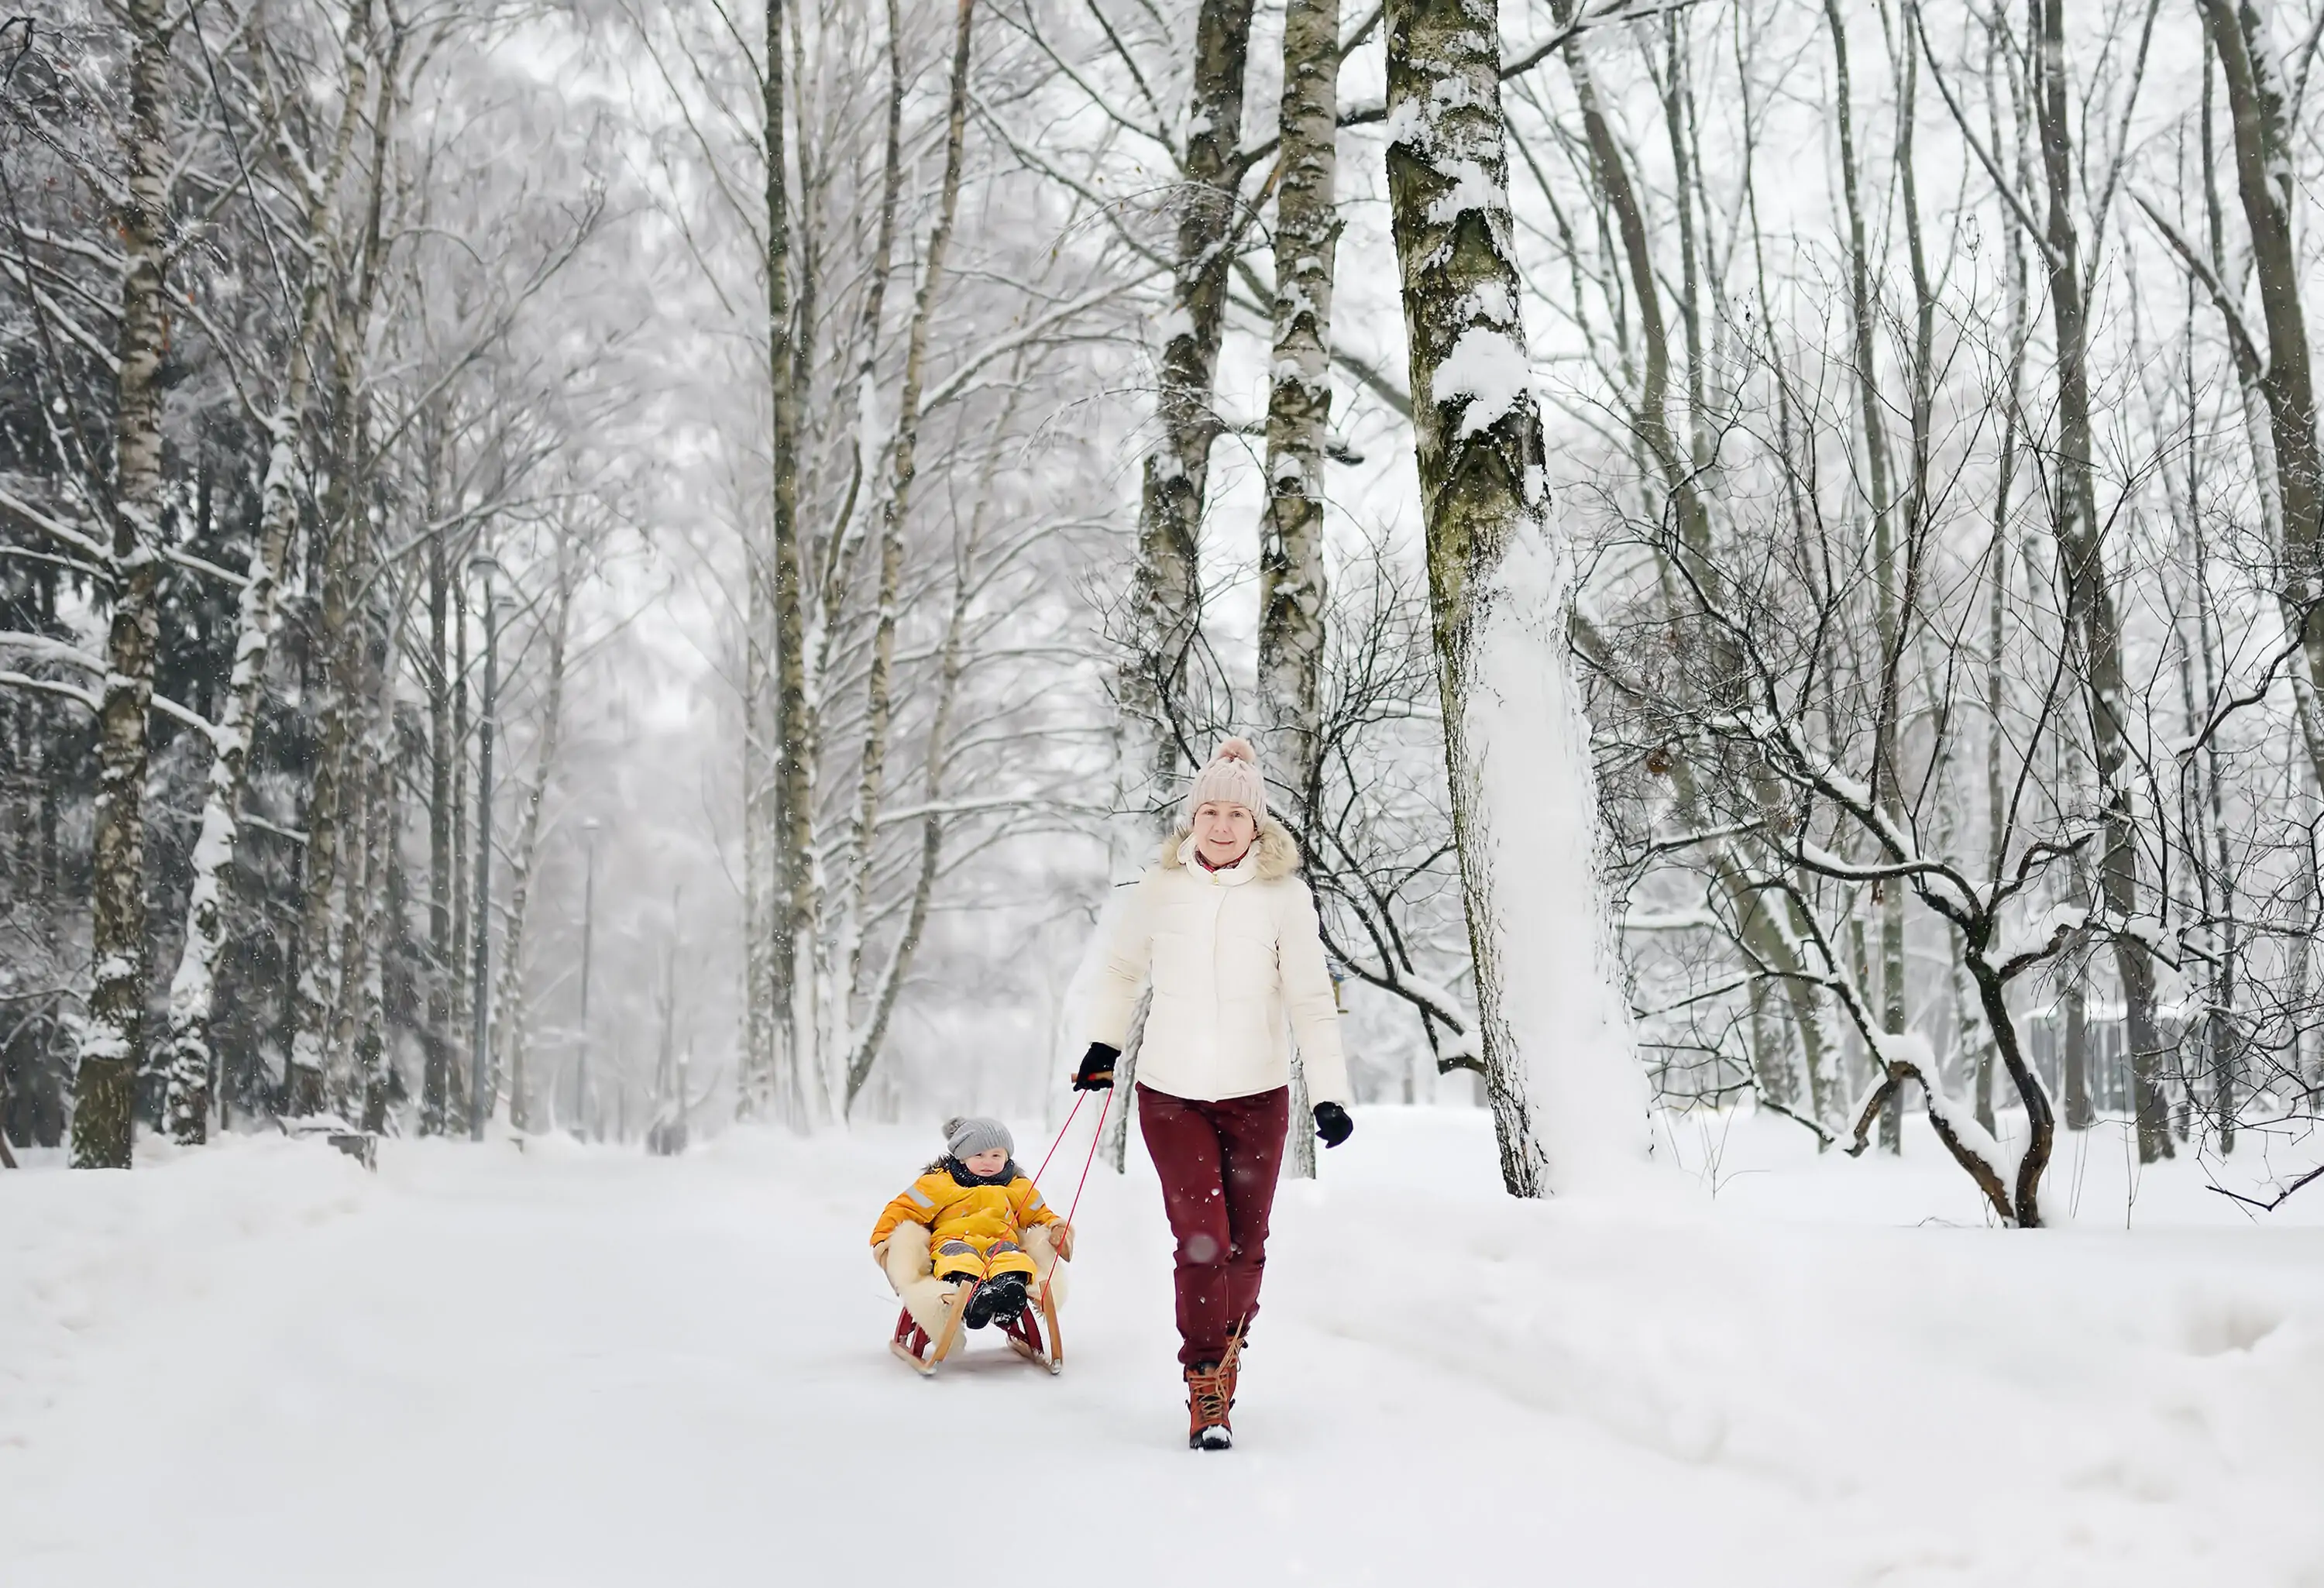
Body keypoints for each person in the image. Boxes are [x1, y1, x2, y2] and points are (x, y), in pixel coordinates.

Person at [1074, 737, 1354, 1450]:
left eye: (1237, 813)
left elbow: (1312, 1001)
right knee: (1204, 1243)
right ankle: (1206, 1384)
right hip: (1171, 1096)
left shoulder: (1285, 898)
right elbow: (1120, 972)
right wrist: (1103, 1046)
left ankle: (1225, 1349)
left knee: (1248, 1244)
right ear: (1191, 819)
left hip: (1259, 1096)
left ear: (1257, 825)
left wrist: (1330, 1094)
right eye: (1210, 812)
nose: (1222, 825)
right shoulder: (1161, 888)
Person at [870, 1117, 1070, 1337]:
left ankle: (1010, 1294)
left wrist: (1056, 1228)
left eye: (996, 1155)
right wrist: (884, 1239)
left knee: (1014, 1260)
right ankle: (974, 1299)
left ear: (1006, 1157)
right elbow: (903, 1209)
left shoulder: (1016, 1187)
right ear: (963, 1157)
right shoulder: (939, 1184)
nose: (988, 1162)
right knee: (961, 1260)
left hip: (1001, 1243)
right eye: (979, 1155)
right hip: (954, 1241)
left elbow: (1040, 1213)